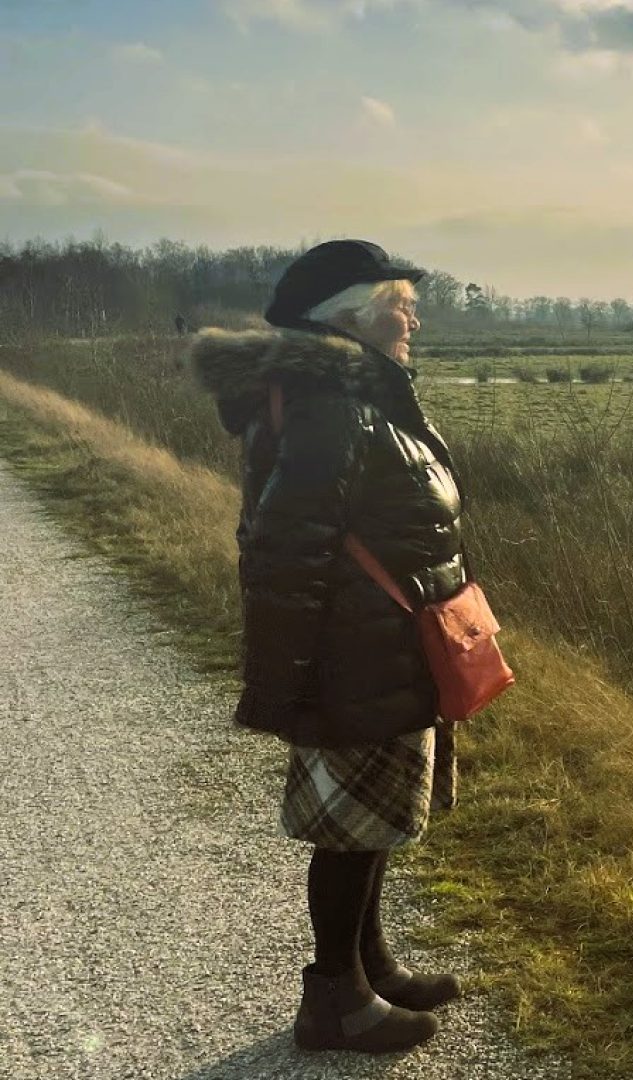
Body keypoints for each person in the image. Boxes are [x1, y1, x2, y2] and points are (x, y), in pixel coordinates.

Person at [186, 240, 467, 1053]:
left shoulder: (355, 392)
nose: (411, 315)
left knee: (372, 820)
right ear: (346, 315)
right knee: (350, 827)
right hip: (353, 647)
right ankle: (333, 1000)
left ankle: (367, 963)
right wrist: (289, 682)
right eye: (396, 302)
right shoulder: (330, 401)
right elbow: (287, 545)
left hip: (385, 638)